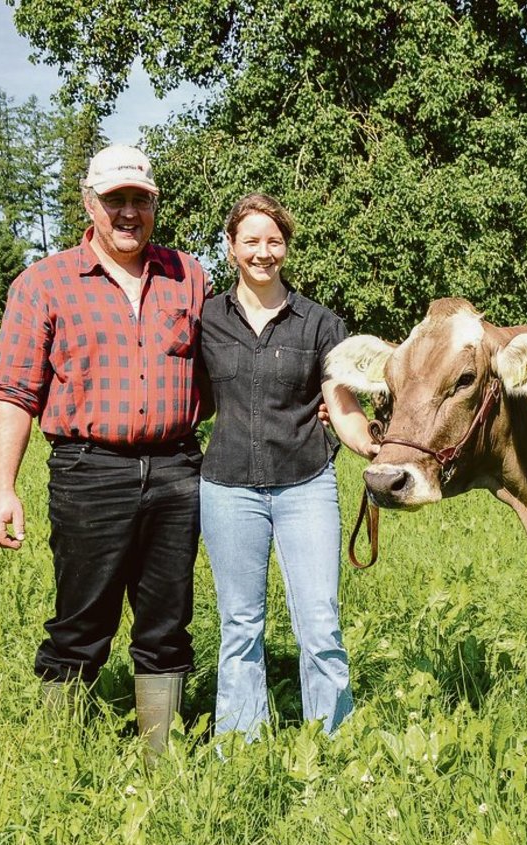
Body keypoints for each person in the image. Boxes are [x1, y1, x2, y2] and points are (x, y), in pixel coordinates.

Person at [0, 144, 210, 760]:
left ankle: (160, 753)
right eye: (116, 201)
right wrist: (4, 489)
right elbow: (15, 390)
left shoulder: (190, 276)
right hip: (89, 471)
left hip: (176, 470)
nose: (129, 213)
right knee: (81, 622)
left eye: (140, 199)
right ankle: (62, 755)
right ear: (90, 204)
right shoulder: (43, 283)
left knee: (167, 622)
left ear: (155, 203)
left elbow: (232, 367)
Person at [199, 193, 377, 742]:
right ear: (231, 249)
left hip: (306, 485)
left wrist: (375, 446)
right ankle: (240, 742)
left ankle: (332, 740)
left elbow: (341, 403)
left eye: (273, 241)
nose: (262, 252)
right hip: (227, 487)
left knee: (320, 623)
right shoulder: (205, 318)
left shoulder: (321, 324)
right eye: (250, 241)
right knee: (240, 626)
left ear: (286, 247)